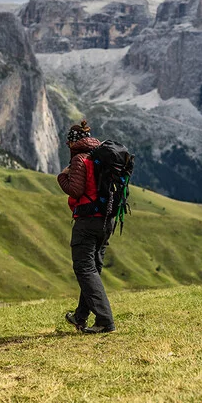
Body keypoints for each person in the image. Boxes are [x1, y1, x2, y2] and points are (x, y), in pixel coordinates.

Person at [57, 120, 116, 334]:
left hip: (88, 220)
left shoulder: (80, 159)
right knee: (93, 268)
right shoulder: (100, 156)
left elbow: (75, 190)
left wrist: (62, 176)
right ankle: (80, 317)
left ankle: (105, 321)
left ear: (73, 143)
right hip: (107, 220)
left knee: (84, 268)